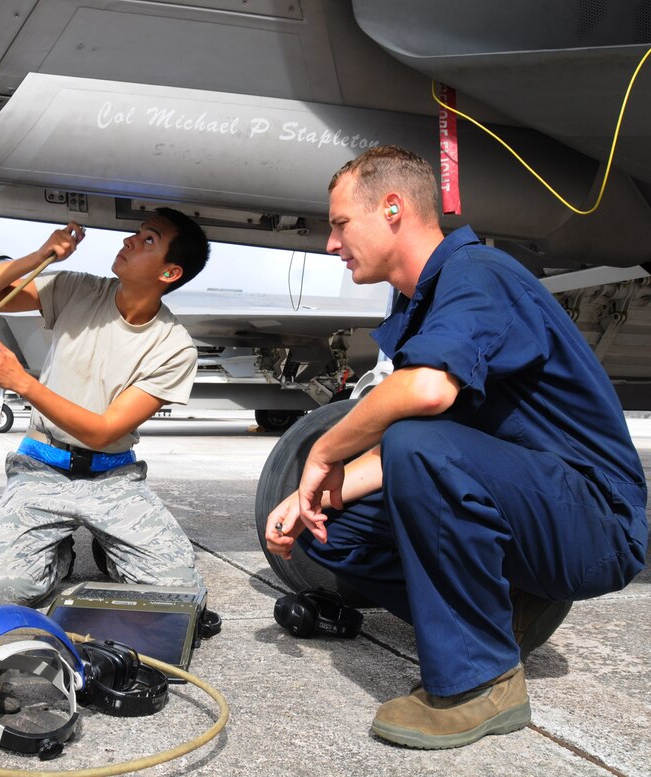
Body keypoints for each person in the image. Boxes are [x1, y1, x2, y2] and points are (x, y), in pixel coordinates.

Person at [265, 145, 647, 750]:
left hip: (595, 523)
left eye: (339, 224)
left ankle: (480, 684)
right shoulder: (427, 298)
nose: (331, 245)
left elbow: (424, 393)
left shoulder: (477, 275)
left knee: (416, 437)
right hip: (531, 503)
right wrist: (311, 496)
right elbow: (432, 450)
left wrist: (323, 454)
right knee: (335, 531)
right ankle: (502, 614)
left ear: (392, 209)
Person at [0, 209, 210, 607]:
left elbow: (104, 431)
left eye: (148, 240)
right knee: (10, 589)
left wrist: (21, 382)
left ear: (169, 274)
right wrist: (39, 257)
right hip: (41, 470)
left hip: (113, 479)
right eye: (136, 233)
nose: (129, 241)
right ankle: (58, 554)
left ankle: (113, 550)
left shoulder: (174, 347)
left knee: (177, 590)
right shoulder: (76, 289)